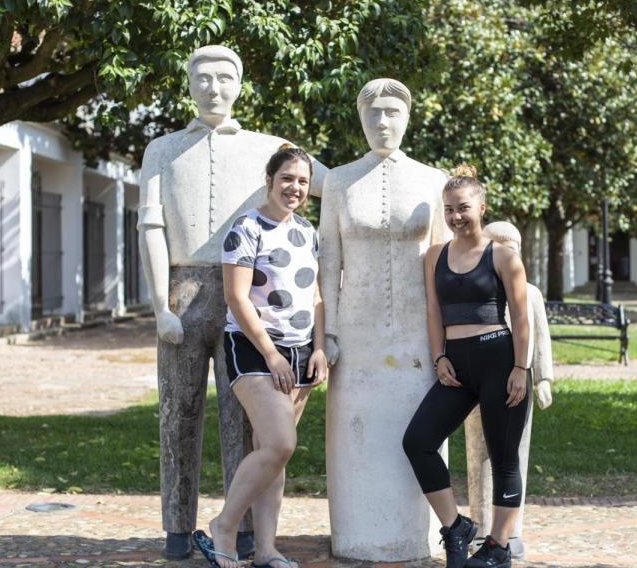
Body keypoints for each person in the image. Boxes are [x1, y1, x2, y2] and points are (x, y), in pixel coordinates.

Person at [137, 45, 326, 560]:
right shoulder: (162, 148)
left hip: (250, 300)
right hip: (184, 289)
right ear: (188, 83)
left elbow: (332, 182)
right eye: (202, 77)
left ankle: (242, 531)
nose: (213, 87)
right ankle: (178, 526)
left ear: (240, 84)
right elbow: (150, 226)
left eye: (224, 77)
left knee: (244, 424)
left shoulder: (269, 148)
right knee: (177, 413)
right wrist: (160, 306)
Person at [318, 78, 449, 560]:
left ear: (408, 117)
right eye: (373, 113)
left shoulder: (433, 180)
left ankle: (421, 532)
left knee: (418, 431)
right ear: (360, 119)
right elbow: (328, 261)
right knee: (357, 437)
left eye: (392, 112)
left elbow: (443, 261)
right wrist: (328, 332)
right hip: (355, 334)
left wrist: (445, 339)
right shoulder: (337, 181)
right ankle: (357, 534)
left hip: (418, 332)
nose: (382, 121)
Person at [194, 144, 328, 568]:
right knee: (280, 443)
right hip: (255, 348)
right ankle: (224, 526)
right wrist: (271, 354)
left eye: (303, 181)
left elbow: (316, 295)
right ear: (269, 180)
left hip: (301, 350)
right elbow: (236, 297)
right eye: (287, 178)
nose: (295, 187)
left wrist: (319, 347)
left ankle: (267, 549)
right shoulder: (246, 228)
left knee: (273, 454)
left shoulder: (307, 230)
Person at [403, 165, 530, 568]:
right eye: (449, 209)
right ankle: (455, 526)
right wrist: (439, 357)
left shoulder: (503, 256)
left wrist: (521, 368)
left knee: (503, 456)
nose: (456, 216)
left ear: (481, 207)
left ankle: (499, 547)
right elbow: (433, 310)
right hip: (455, 366)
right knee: (418, 441)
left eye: (463, 208)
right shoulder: (434, 256)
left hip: (499, 361)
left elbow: (521, 318)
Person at [465, 221, 554, 560]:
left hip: (519, 381)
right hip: (478, 381)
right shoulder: (474, 290)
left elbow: (540, 337)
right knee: (479, 456)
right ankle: (481, 525)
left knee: (515, 455)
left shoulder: (531, 293)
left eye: (511, 248)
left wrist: (543, 378)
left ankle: (511, 530)